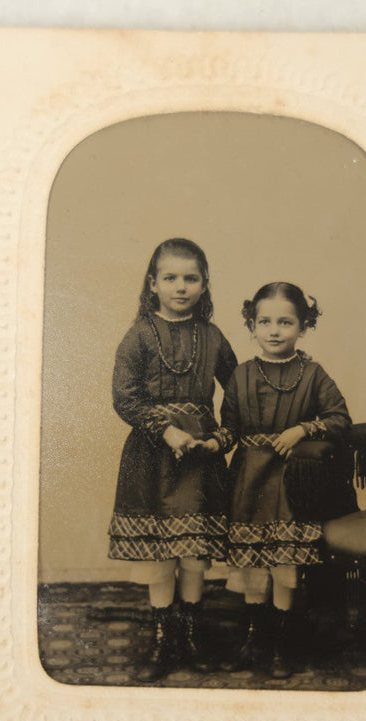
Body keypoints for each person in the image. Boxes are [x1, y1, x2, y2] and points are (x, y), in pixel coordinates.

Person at [206, 281, 354, 679]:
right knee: (254, 567)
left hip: (291, 485)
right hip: (249, 483)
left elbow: (341, 419)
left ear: (303, 327)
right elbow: (231, 428)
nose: (274, 330)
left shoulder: (313, 373)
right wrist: (212, 442)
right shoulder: (239, 375)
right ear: (251, 326)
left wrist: (304, 429)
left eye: (285, 322)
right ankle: (257, 638)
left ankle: (283, 642)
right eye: (264, 321)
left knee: (285, 565)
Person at [107, 238, 237, 682]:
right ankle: (166, 640)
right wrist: (165, 430)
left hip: (200, 463)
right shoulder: (139, 335)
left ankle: (192, 634)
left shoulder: (214, 337)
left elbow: (239, 395)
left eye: (191, 278)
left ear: (204, 284)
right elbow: (125, 398)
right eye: (170, 277)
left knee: (195, 554)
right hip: (152, 459)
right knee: (162, 553)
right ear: (153, 283)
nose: (180, 287)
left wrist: (220, 439)